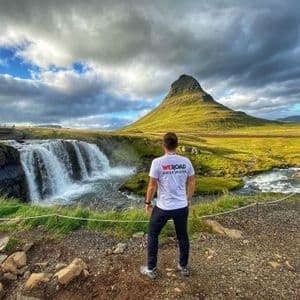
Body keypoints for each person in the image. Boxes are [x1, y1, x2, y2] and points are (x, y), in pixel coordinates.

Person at [140, 132, 196, 279]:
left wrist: (147, 202)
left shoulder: (157, 162)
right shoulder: (186, 161)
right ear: (177, 145)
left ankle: (151, 269)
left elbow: (151, 186)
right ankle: (183, 267)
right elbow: (191, 182)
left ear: (164, 146)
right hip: (181, 206)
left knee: (153, 234)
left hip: (163, 207)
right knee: (183, 236)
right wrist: (188, 199)